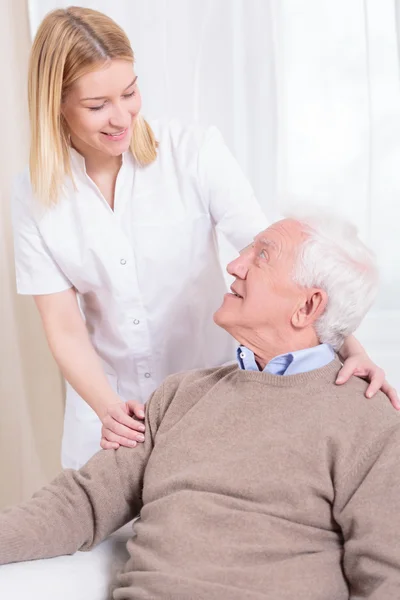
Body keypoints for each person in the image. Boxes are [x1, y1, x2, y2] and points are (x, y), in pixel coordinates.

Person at [12, 6, 397, 470]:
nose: (121, 118)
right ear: (55, 102)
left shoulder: (193, 153)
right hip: (108, 422)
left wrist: (353, 350)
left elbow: (279, 260)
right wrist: (107, 408)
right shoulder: (32, 196)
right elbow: (64, 328)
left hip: (214, 405)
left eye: (130, 93)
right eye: (97, 106)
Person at [2, 213, 399, 599]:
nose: (234, 265)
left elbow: (388, 573)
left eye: (261, 255)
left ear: (308, 306)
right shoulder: (181, 395)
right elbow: (80, 505)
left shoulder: (370, 423)